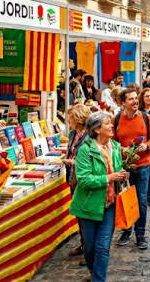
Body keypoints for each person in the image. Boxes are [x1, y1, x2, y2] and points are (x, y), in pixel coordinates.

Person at [69, 111, 128, 282]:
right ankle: (92, 270)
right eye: (107, 124)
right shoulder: (85, 151)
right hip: (88, 205)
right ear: (96, 130)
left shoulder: (115, 147)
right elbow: (84, 180)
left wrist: (123, 173)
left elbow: (117, 169)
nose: (111, 126)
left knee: (103, 248)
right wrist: (110, 177)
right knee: (90, 248)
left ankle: (98, 279)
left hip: (109, 205)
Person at [113, 86, 150, 249]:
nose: (135, 101)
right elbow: (111, 142)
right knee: (125, 199)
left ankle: (140, 234)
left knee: (140, 201)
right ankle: (126, 230)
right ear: (123, 103)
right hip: (124, 167)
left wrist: (146, 145)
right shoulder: (117, 119)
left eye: (135, 98)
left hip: (142, 166)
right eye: (131, 99)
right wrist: (121, 149)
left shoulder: (146, 118)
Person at [62, 104, 90, 262]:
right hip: (73, 178)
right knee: (79, 214)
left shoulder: (89, 137)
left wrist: (71, 161)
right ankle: (83, 244)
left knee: (85, 215)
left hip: (83, 179)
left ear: (79, 119)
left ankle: (88, 251)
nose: (68, 120)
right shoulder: (73, 134)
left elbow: (87, 159)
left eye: (71, 117)